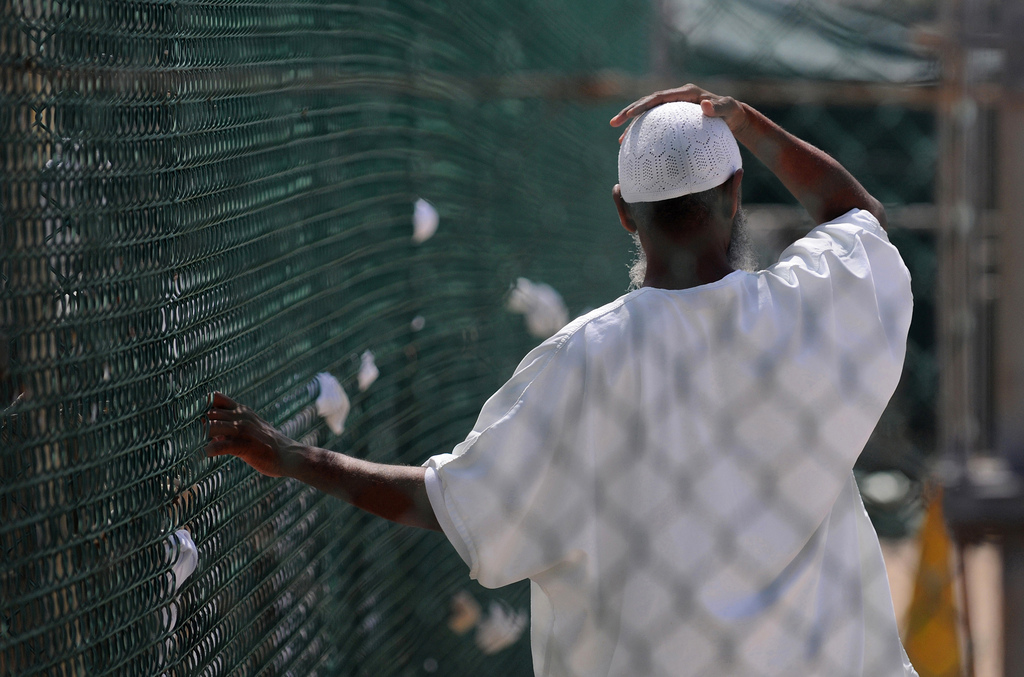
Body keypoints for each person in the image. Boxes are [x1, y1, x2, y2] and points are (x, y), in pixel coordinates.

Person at [205, 84, 917, 677]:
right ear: (736, 192)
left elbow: (441, 504)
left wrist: (292, 456)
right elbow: (859, 217)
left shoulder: (582, 360)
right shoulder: (807, 310)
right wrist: (743, 120)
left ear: (621, 212)